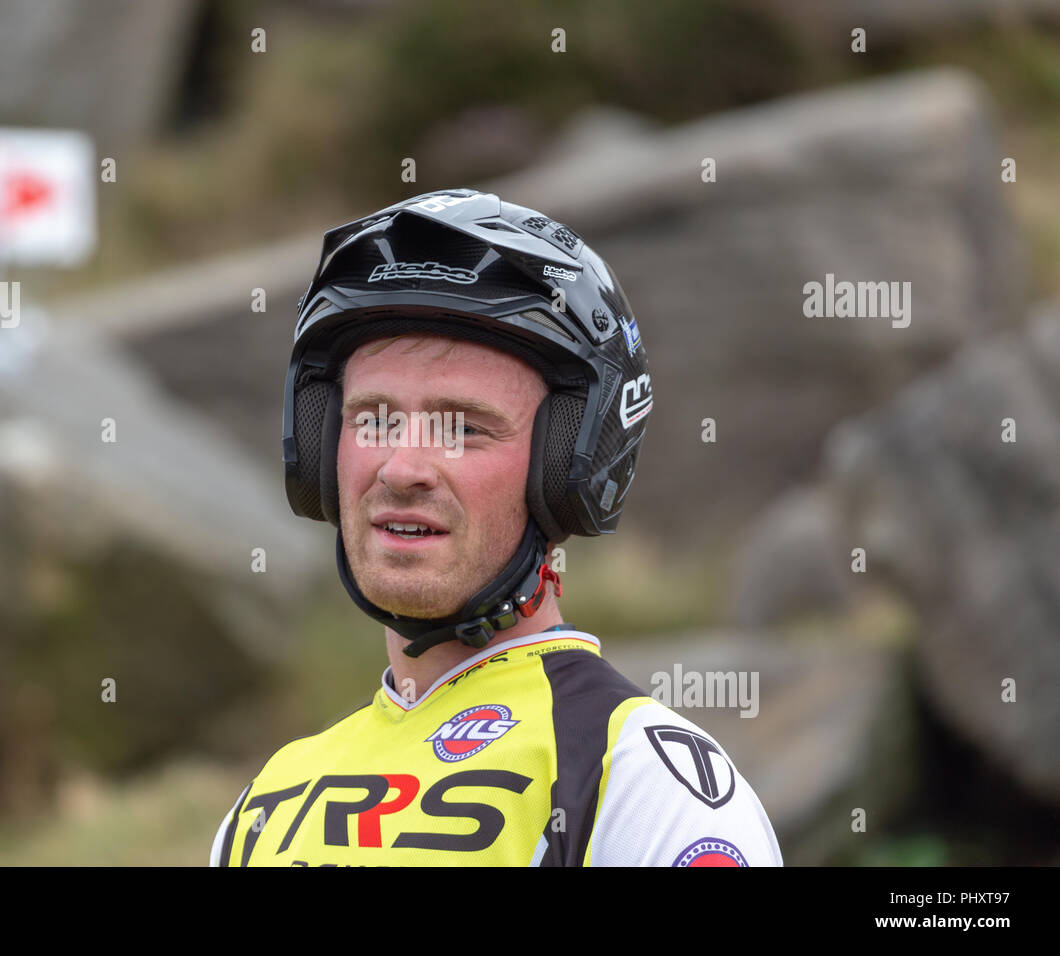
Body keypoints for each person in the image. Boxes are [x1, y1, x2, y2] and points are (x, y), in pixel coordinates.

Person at [210, 188, 782, 866]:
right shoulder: (265, 806)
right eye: (374, 419)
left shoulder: (632, 782)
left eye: (465, 428)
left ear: (566, 468)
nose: (401, 468)